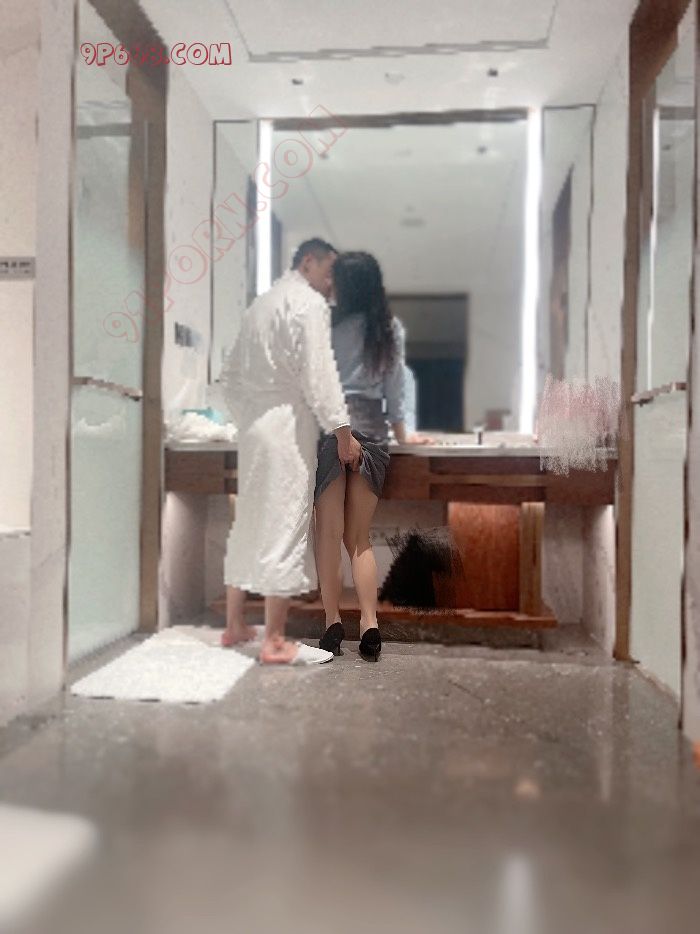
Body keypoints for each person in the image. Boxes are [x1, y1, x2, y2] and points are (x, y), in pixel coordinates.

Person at [219, 238, 362, 665]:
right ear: (308, 262)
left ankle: (234, 625)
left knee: (249, 522)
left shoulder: (261, 304)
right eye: (329, 272)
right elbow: (320, 376)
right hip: (284, 428)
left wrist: (248, 418)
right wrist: (342, 432)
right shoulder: (307, 303)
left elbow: (230, 376)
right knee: (284, 525)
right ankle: (275, 640)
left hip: (253, 429)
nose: (332, 283)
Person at [313, 251, 431, 662]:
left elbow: (318, 386)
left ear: (342, 286)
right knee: (359, 538)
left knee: (328, 533)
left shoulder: (326, 325)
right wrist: (405, 436)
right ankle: (369, 623)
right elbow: (396, 392)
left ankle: (332, 623)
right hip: (375, 433)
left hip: (330, 430)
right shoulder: (389, 329)